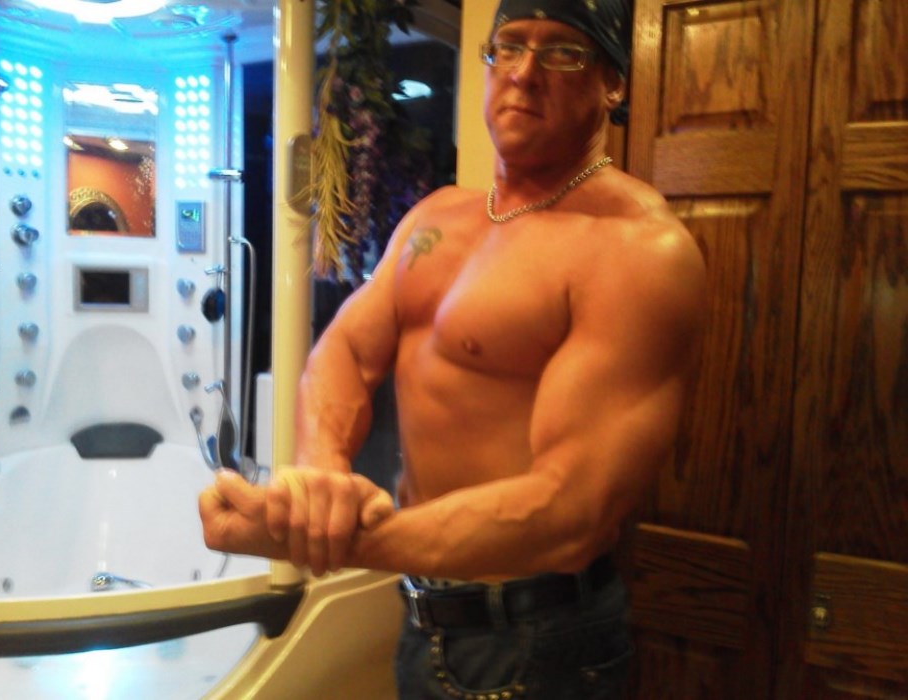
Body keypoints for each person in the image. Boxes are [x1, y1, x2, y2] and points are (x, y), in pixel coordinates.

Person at [199, 0, 707, 696]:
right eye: (509, 46)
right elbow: (344, 351)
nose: (524, 72)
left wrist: (332, 536)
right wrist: (321, 475)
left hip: (538, 641)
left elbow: (570, 510)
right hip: (423, 618)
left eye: (562, 51)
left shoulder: (637, 249)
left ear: (612, 83)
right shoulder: (435, 217)